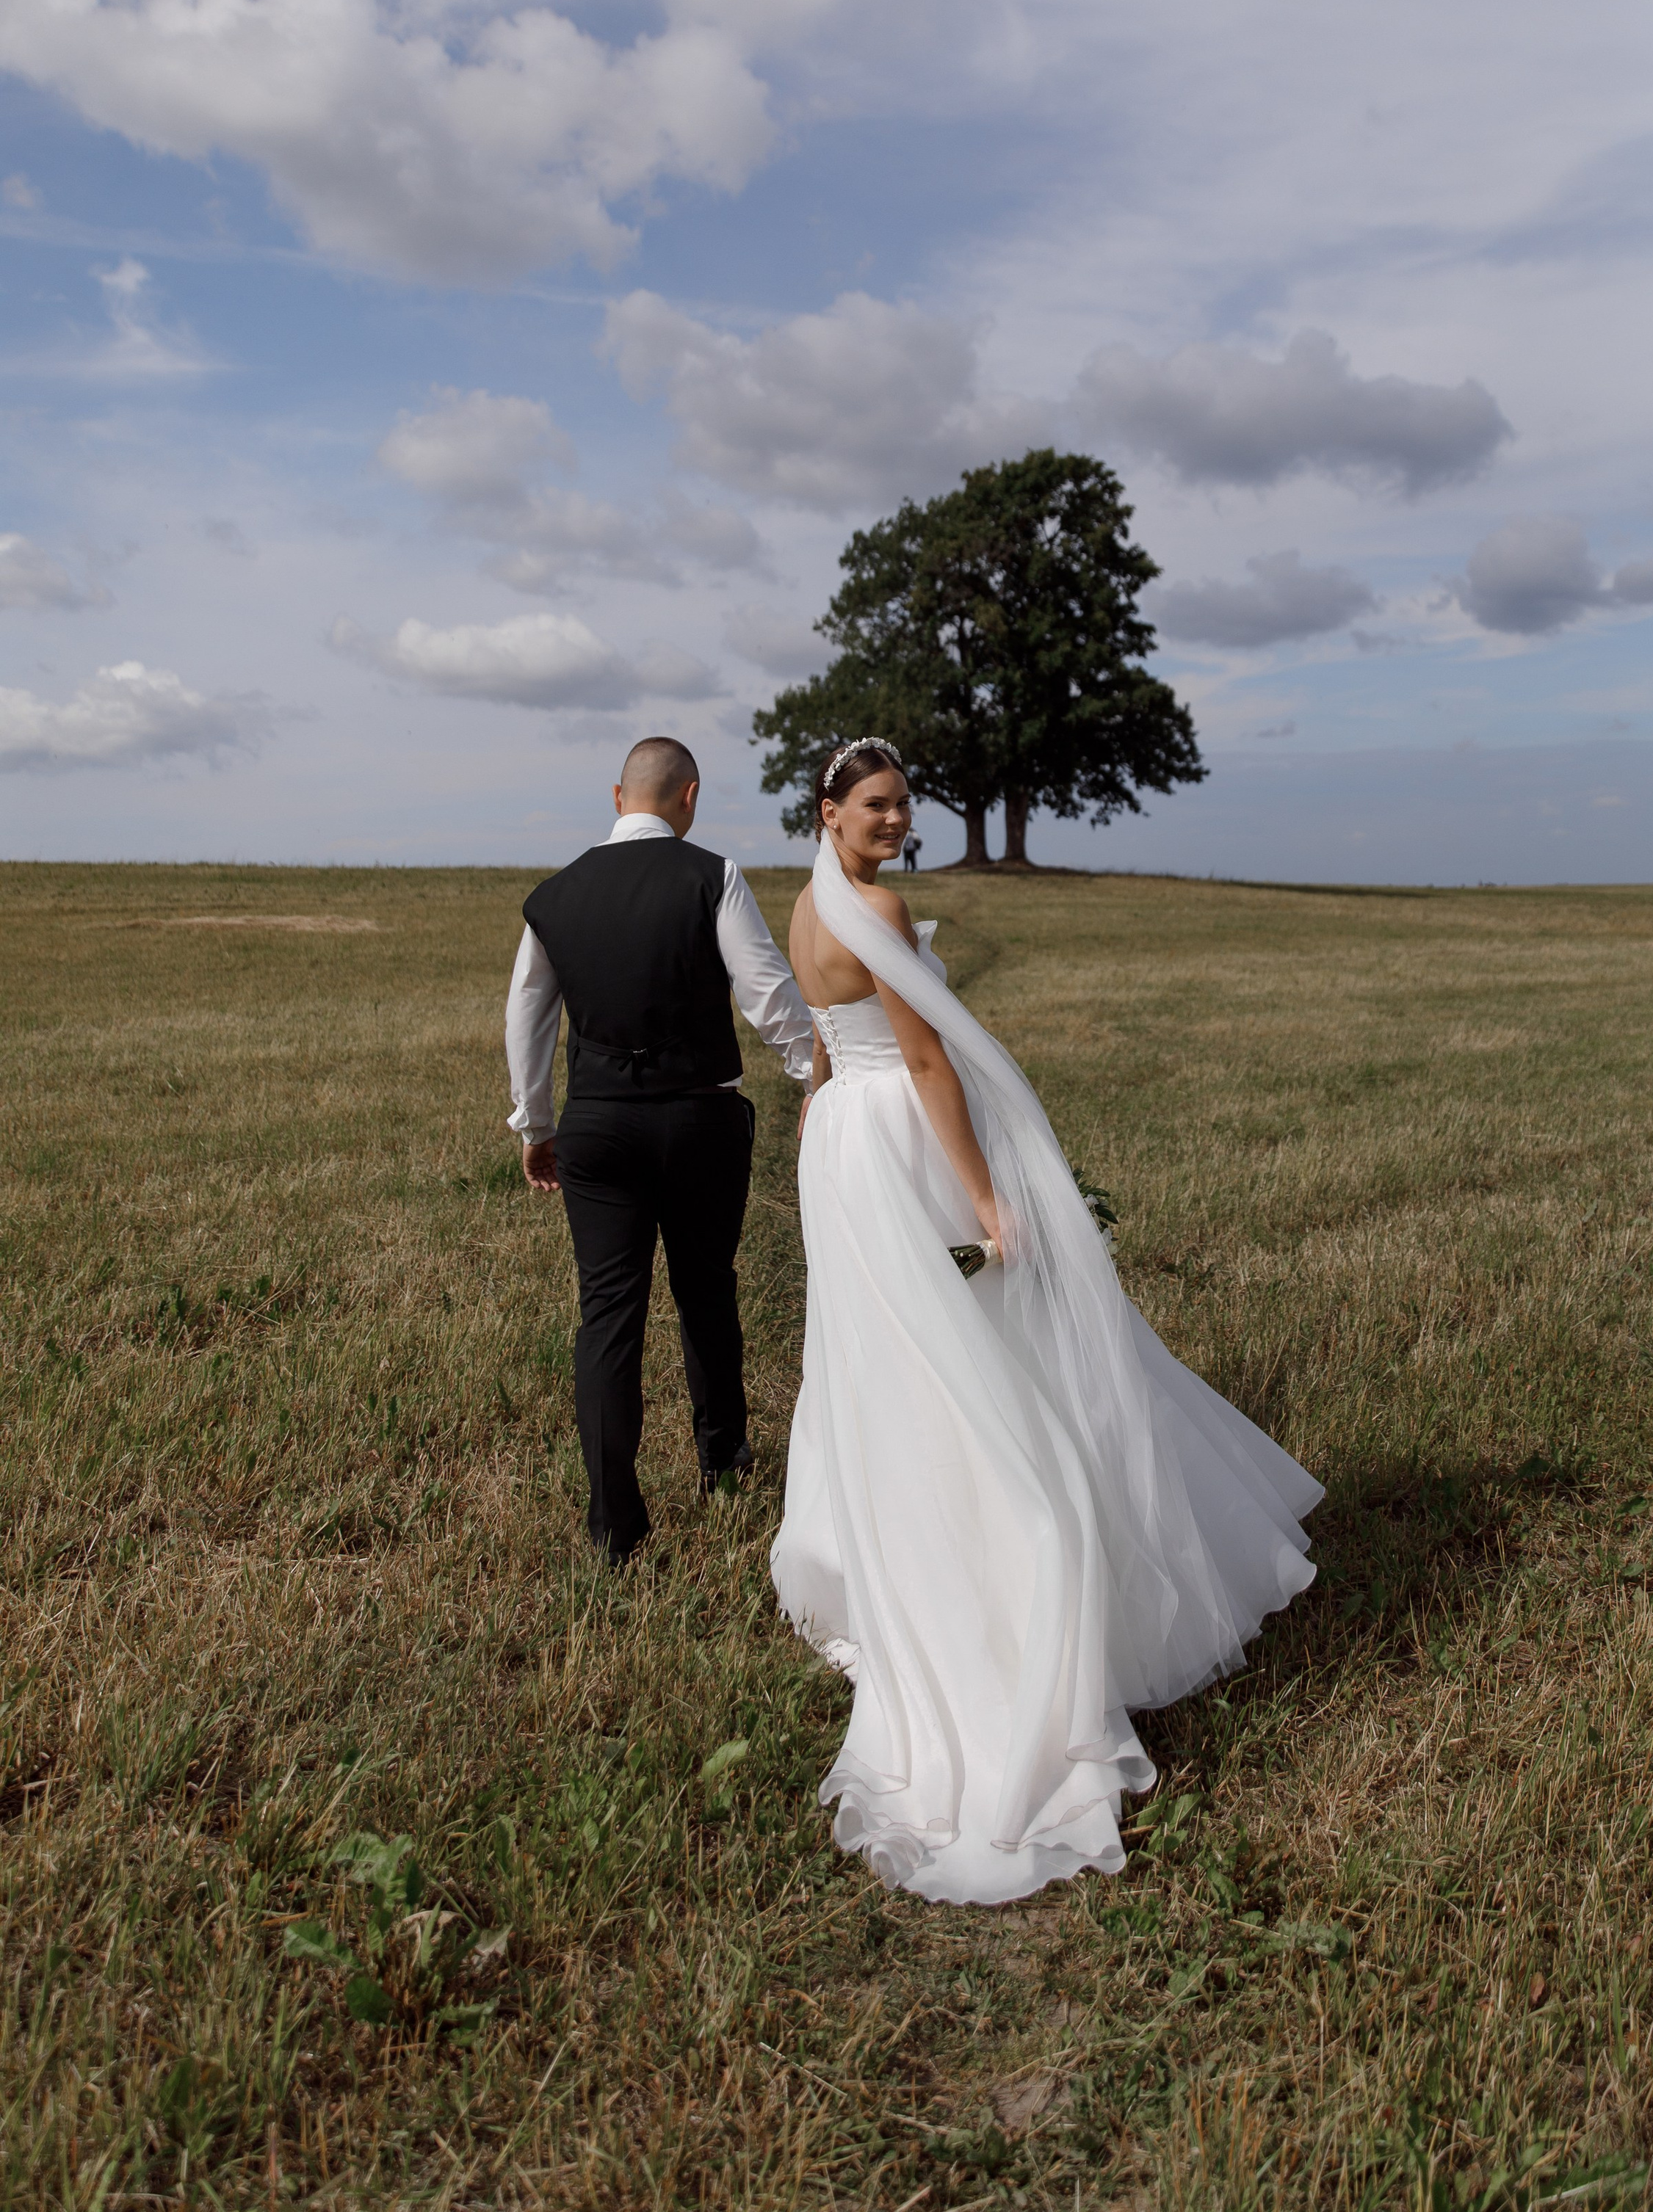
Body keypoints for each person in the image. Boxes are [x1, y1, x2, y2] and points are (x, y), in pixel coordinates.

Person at [772, 739, 1321, 1906]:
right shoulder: (878, 906)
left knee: (898, 1359)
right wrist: (984, 1200)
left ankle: (913, 1554)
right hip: (899, 1145)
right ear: (829, 810)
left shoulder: (806, 905)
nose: (895, 820)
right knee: (977, 1350)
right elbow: (927, 1060)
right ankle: (1016, 1568)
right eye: (875, 804)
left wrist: (818, 1123)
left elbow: (822, 1042)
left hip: (841, 1150)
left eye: (903, 804)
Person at [506, 736, 815, 1563]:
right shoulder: (711, 876)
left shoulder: (553, 895)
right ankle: (723, 1461)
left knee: (607, 1313)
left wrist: (536, 1127)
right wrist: (816, 1075)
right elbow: (765, 995)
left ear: (618, 798)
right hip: (699, 1119)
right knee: (706, 1289)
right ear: (690, 797)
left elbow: (527, 1017)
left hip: (598, 1126)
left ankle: (614, 1524)